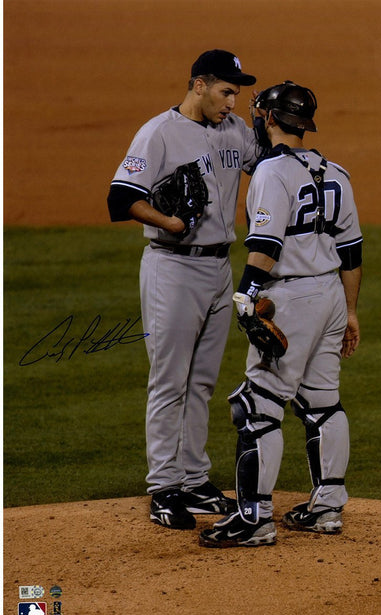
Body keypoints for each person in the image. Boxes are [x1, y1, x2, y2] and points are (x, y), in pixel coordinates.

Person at [199, 81, 363, 548]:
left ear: (270, 119)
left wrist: (246, 296)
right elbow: (351, 253)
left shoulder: (272, 172)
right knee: (322, 401)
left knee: (257, 406)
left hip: (291, 299)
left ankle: (254, 518)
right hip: (331, 294)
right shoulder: (336, 172)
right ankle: (327, 507)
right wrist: (350, 313)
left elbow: (266, 246)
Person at [107, 50, 263, 530]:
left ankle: (194, 478)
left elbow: (270, 163)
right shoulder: (158, 133)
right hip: (172, 269)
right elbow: (121, 198)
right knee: (170, 380)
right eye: (225, 91)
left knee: (202, 382)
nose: (232, 101)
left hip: (219, 268)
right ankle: (164, 486)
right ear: (199, 85)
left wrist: (274, 121)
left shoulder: (235, 130)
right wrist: (168, 220)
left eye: (237, 93)